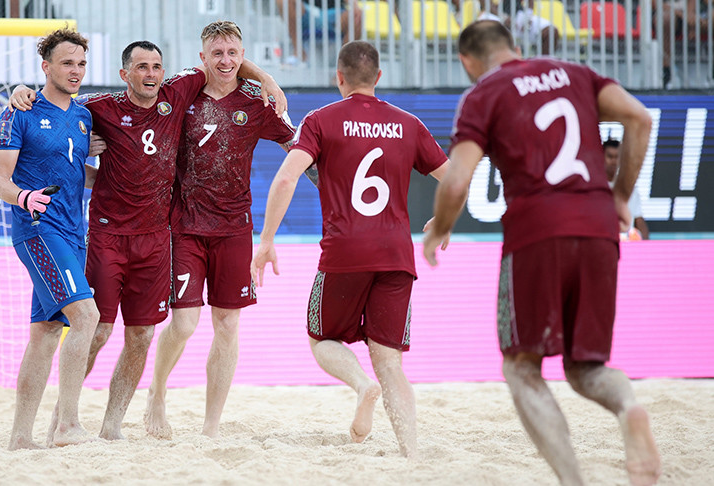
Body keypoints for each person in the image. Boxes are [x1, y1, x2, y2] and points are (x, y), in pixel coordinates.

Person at [9, 37, 287, 441]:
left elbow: (225, 62)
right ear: (125, 74)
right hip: (107, 236)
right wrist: (23, 91)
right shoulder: (99, 107)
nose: (150, 74)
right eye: (141, 67)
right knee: (98, 330)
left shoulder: (177, 91)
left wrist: (266, 78)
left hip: (157, 239)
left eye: (156, 66)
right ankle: (63, 414)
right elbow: (57, 97)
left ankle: (112, 426)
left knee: (140, 335)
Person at [422, 20, 660, 485]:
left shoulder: (483, 93)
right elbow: (640, 118)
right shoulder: (574, 72)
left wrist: (439, 230)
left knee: (521, 368)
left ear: (467, 61)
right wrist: (619, 196)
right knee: (587, 367)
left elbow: (456, 178)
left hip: (536, 233)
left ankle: (572, 479)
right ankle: (629, 407)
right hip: (597, 227)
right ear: (515, 45)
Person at [251, 40, 448, 459]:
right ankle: (411, 452)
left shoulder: (321, 120)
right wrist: (443, 220)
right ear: (379, 77)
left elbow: (286, 179)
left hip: (344, 252)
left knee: (321, 338)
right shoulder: (409, 123)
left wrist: (266, 240)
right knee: (390, 361)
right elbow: (456, 179)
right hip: (397, 255)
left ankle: (362, 386)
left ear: (337, 77)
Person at [143, 21, 297, 440]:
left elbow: (299, 150)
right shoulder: (183, 92)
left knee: (227, 325)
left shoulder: (258, 102)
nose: (225, 61)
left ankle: (211, 426)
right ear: (203, 58)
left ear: (241, 55)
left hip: (234, 229)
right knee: (185, 325)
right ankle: (156, 393)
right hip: (186, 227)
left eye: (233, 53)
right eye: (217, 54)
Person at [0, 27, 100, 450]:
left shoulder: (82, 115)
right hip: (39, 229)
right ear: (46, 67)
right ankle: (68, 426)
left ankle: (20, 437)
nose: (75, 71)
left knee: (45, 333)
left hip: (75, 232)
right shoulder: (20, 110)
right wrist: (24, 196)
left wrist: (112, 176)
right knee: (86, 317)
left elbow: (76, 173)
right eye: (67, 63)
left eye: (81, 64)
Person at [276, 0, 363, 64]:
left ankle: (344, 63)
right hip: (307, 11)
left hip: (334, 13)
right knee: (283, 1)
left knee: (358, 15)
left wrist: (356, 7)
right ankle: (299, 53)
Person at [604, 139, 650, 240]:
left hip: (627, 244)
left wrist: (646, 246)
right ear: (601, 157)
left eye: (617, 157)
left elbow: (639, 220)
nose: (614, 161)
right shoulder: (593, 186)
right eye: (610, 156)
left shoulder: (629, 187)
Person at [659, 0, 710, 87]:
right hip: (666, 14)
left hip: (695, 14)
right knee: (666, 19)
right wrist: (683, 15)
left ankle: (711, 75)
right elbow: (653, 3)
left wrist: (691, 23)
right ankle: (666, 73)